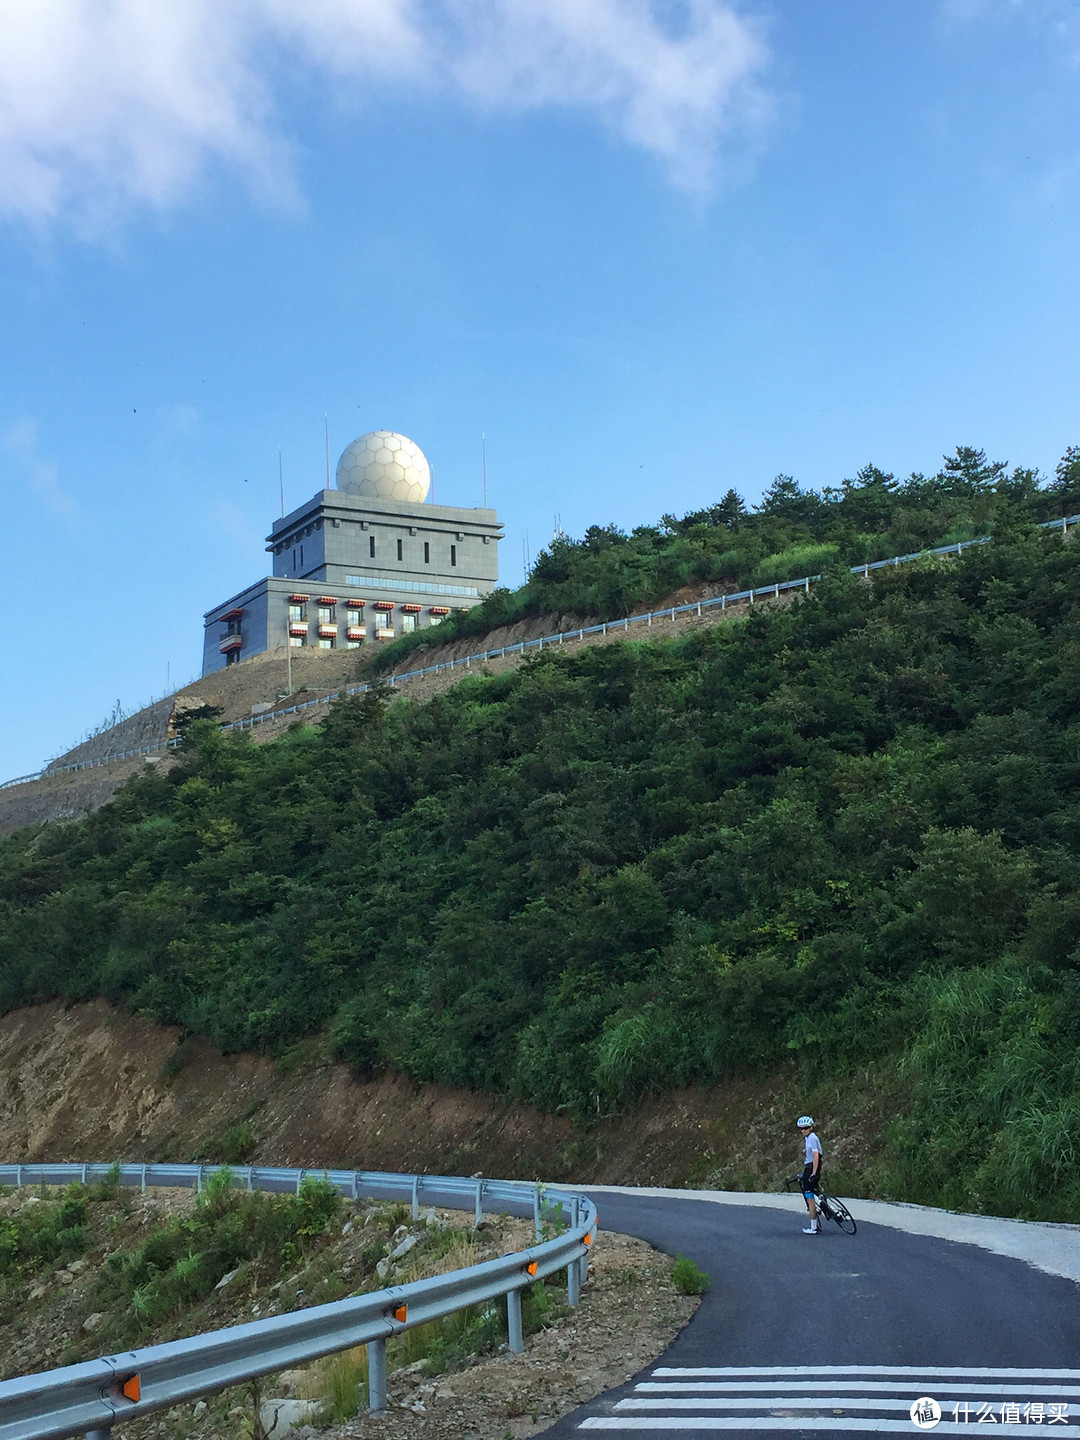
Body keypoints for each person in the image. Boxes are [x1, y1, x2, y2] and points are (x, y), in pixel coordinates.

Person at [796, 1114, 822, 1234]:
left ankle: (813, 1227)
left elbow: (816, 1156)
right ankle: (823, 1207)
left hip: (811, 1167)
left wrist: (813, 1172)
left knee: (809, 1197)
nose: (803, 1130)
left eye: (805, 1128)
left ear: (811, 1127)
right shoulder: (810, 1138)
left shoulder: (811, 1138)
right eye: (801, 1128)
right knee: (814, 1193)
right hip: (810, 1166)